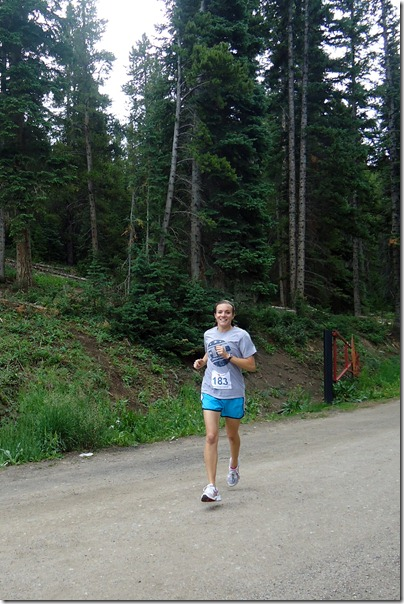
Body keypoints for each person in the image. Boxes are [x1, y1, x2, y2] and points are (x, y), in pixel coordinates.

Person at [193, 300, 257, 502]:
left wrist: (229, 357)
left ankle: (234, 464)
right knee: (211, 436)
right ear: (215, 315)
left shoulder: (241, 336)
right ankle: (211, 487)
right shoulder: (208, 334)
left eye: (227, 312)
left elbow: (251, 365)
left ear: (233, 315)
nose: (223, 315)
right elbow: (209, 352)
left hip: (233, 393)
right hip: (211, 391)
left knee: (231, 435)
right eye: (220, 312)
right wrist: (202, 362)